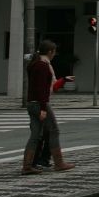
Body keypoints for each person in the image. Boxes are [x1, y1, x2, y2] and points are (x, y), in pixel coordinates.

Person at [21, 40, 76, 174]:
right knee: (54, 130)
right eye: (54, 52)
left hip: (31, 103)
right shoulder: (43, 66)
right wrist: (43, 108)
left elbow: (46, 86)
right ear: (50, 52)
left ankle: (27, 166)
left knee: (35, 135)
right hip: (39, 103)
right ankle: (59, 163)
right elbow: (42, 89)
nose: (54, 55)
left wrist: (63, 80)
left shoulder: (34, 64)